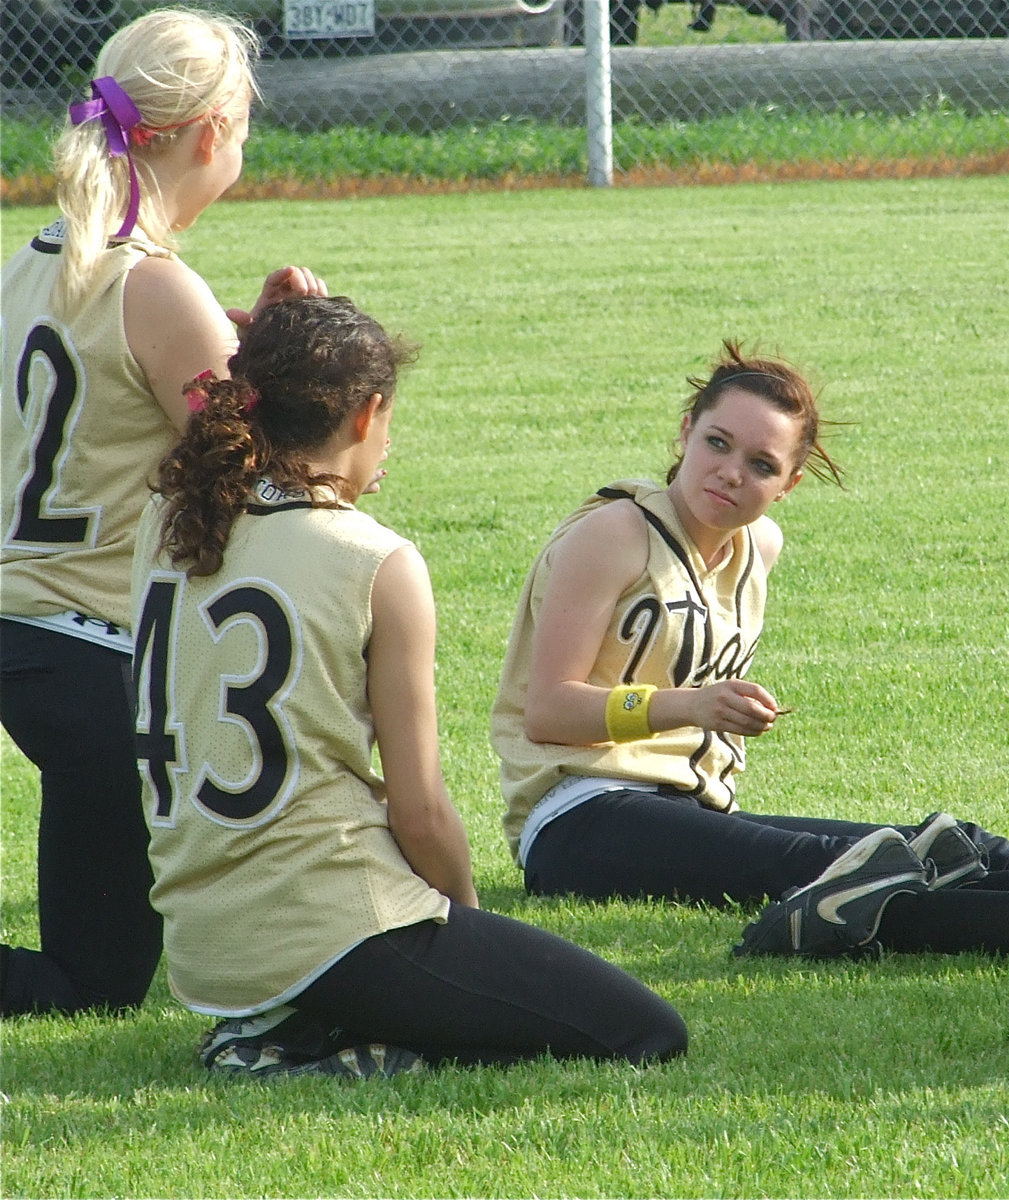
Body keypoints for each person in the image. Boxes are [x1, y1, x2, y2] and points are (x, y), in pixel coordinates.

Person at [129, 295, 687, 1079]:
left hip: (202, 942)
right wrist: (464, 920)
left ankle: (288, 1023)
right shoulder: (372, 559)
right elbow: (418, 810)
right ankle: (298, 1048)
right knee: (646, 1032)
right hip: (329, 928)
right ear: (367, 414)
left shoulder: (167, 521)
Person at [491, 341, 1009, 961]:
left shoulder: (757, 546)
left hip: (689, 810)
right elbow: (549, 710)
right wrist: (691, 706)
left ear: (789, 483)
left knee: (942, 845)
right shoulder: (613, 534)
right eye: (717, 442)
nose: (732, 472)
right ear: (685, 433)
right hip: (579, 819)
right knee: (852, 873)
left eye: (762, 464)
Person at [0, 8, 331, 1016]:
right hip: (87, 650)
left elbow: (115, 394)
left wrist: (239, 344)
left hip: (28, 631)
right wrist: (298, 360)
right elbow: (256, 475)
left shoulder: (29, 263)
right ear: (211, 132)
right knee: (91, 987)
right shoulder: (156, 284)